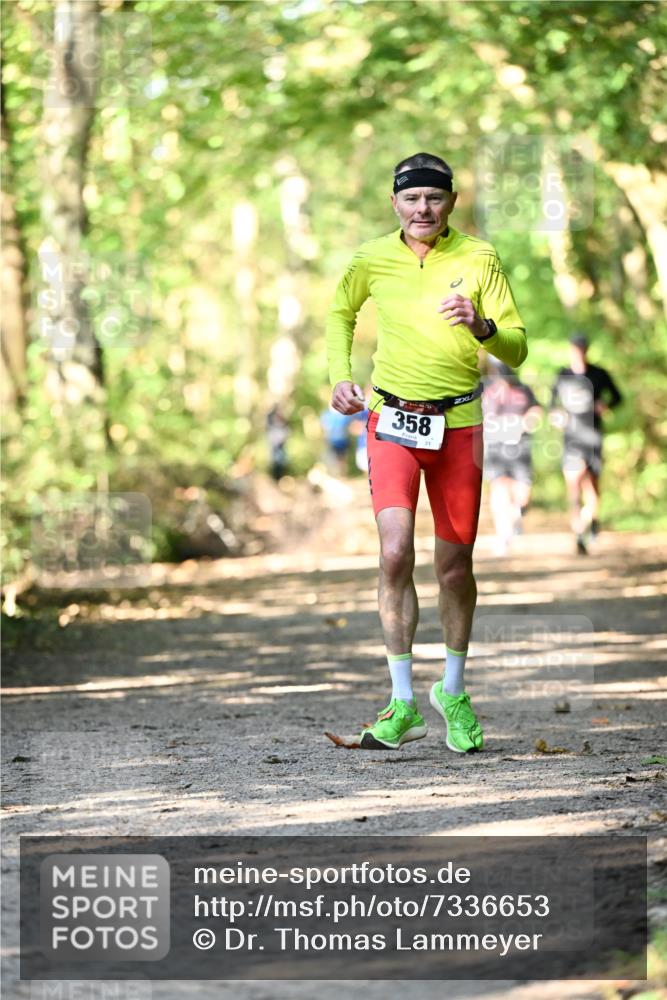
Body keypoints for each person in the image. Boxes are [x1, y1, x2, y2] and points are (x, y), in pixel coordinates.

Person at [325, 152, 527, 753]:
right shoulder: (371, 258)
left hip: (459, 423)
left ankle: (454, 692)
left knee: (454, 566)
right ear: (395, 203)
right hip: (391, 420)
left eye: (434, 198)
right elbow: (340, 311)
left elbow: (517, 349)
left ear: (451, 203)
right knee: (393, 554)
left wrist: (483, 325)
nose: (422, 208)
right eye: (411, 198)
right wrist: (340, 375)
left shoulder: (478, 258)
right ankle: (403, 702)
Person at [550, 333, 622, 555]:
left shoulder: (599, 374)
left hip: (593, 437)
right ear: (571, 349)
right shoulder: (562, 375)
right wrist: (556, 415)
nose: (579, 352)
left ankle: (591, 521)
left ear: (587, 350)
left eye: (582, 348)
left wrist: (604, 405)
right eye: (575, 348)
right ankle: (578, 531)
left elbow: (618, 397)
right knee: (573, 484)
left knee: (593, 488)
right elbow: (552, 406)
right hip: (571, 438)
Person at [482, 358, 541, 555]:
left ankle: (516, 515)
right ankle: (503, 534)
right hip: (495, 446)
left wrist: (528, 421)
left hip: (519, 447)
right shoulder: (484, 389)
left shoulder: (523, 389)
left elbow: (536, 410)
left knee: (523, 494)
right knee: (499, 489)